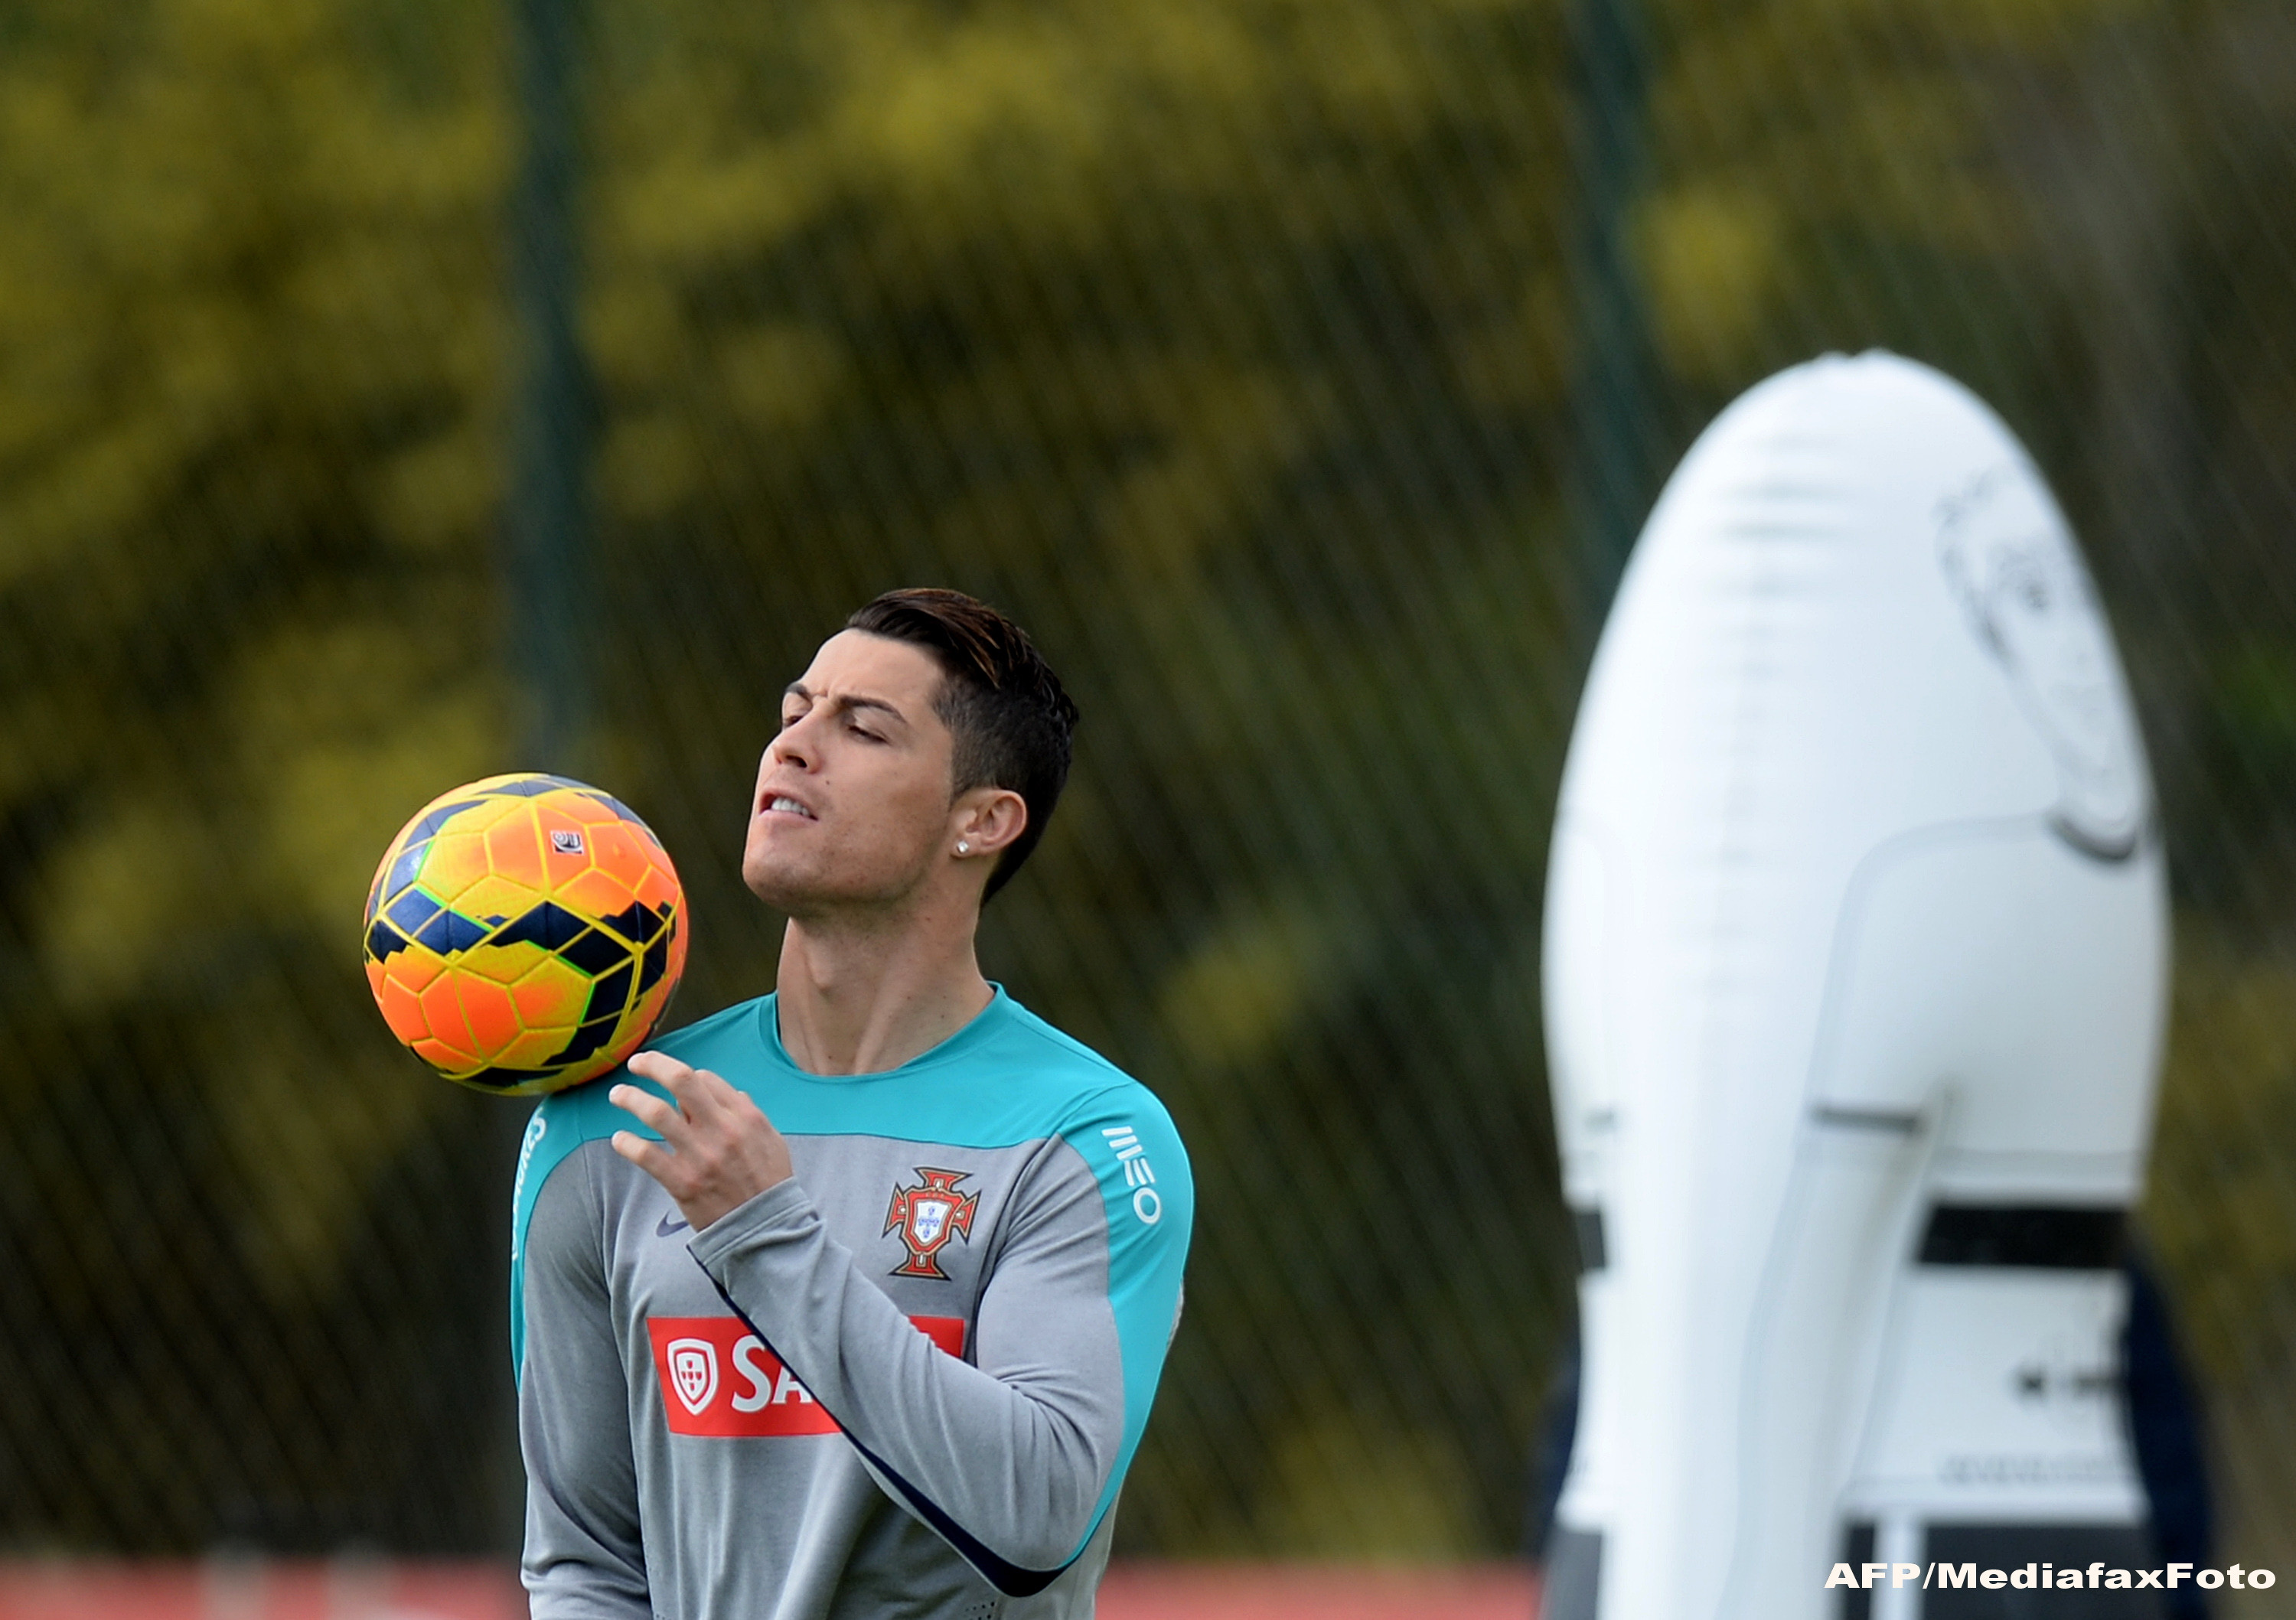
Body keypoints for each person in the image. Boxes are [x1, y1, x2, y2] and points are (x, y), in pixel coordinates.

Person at [509, 588, 1193, 1619]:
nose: (793, 746)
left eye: (863, 728)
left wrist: (764, 1235)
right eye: (794, 712)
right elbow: (585, 1562)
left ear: (983, 820)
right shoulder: (613, 1121)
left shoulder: (1084, 1137)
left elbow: (1039, 1516)